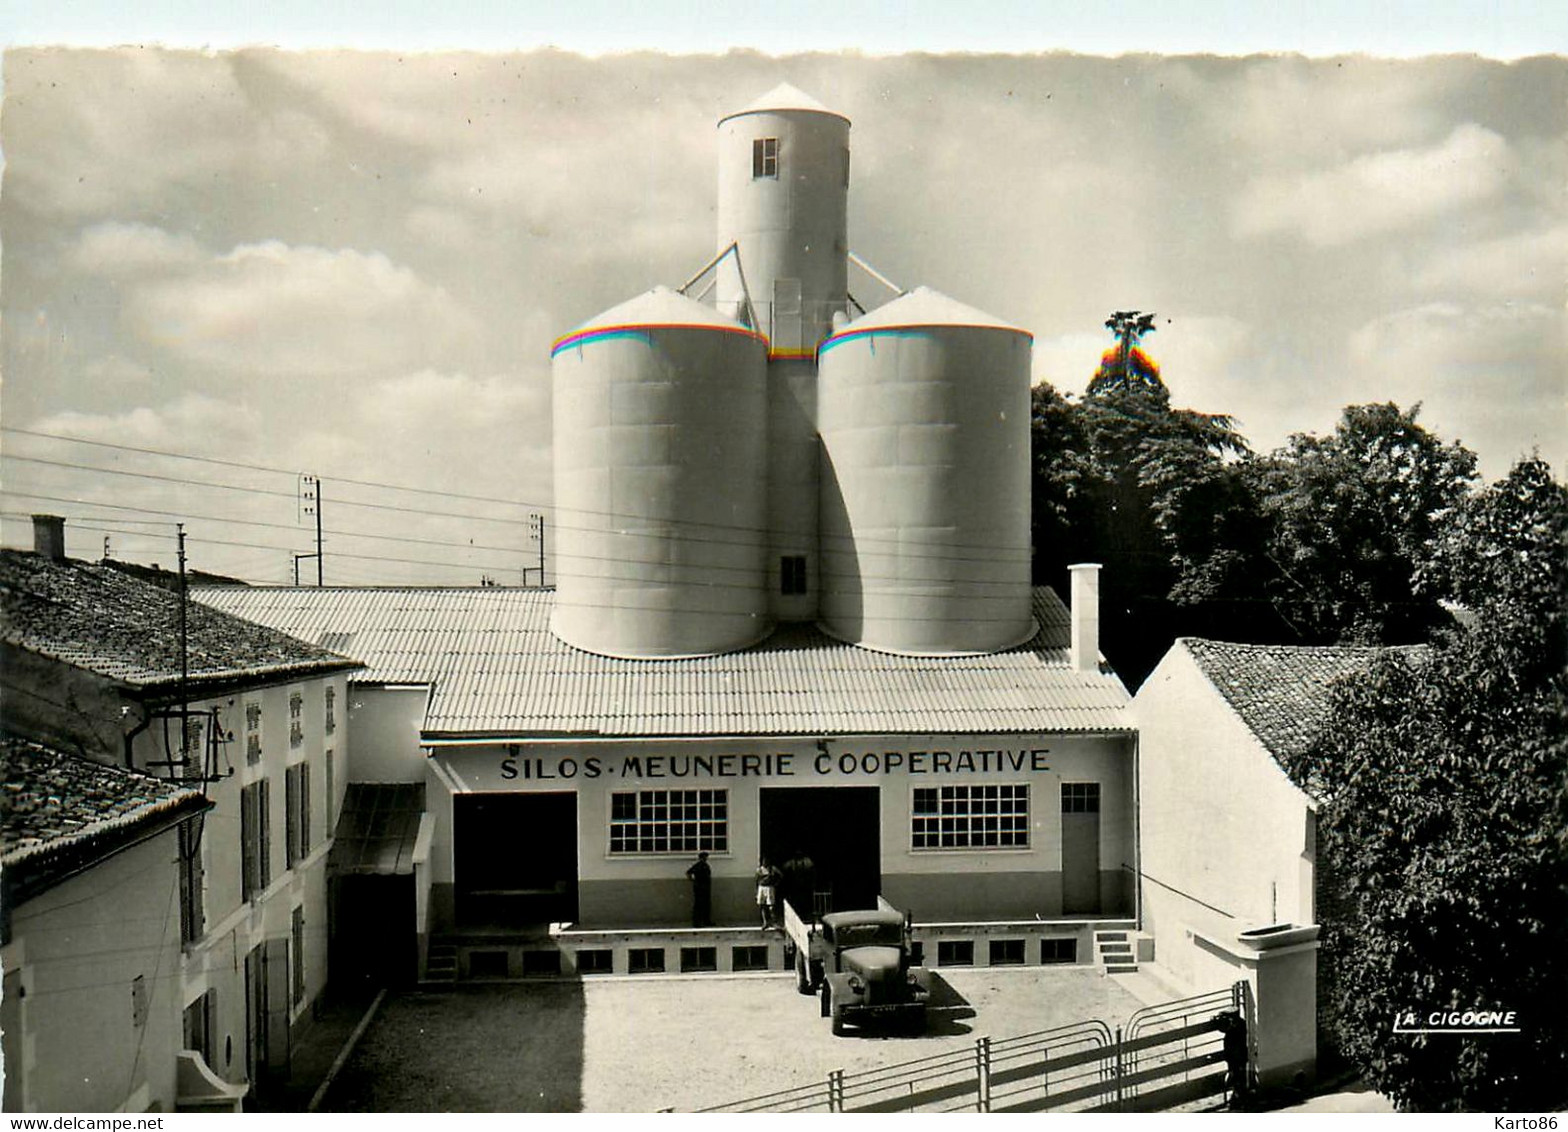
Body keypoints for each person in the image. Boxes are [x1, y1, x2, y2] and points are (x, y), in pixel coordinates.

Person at [685, 851, 712, 928]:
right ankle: (697, 922)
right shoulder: (698, 865)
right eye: (704, 857)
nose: (706, 858)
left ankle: (705, 921)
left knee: (706, 905)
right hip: (700, 888)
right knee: (699, 905)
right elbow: (688, 872)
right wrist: (692, 880)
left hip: (705, 887)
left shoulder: (705, 865)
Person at [754, 857, 778, 929]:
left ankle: (774, 922)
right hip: (761, 887)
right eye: (764, 861)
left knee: (771, 906)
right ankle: (765, 922)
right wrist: (756, 891)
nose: (765, 862)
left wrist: (775, 883)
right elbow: (756, 881)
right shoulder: (759, 870)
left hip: (769, 887)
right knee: (762, 906)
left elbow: (780, 875)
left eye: (766, 861)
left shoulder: (772, 869)